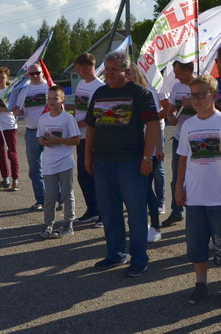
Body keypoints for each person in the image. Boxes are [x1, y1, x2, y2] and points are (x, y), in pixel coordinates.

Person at [85, 51, 159, 278]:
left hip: (131, 163)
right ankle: (116, 254)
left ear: (126, 71)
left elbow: (153, 126)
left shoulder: (139, 93)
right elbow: (91, 127)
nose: (109, 74)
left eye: (114, 70)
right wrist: (88, 156)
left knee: (136, 213)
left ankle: (139, 259)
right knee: (109, 212)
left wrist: (147, 158)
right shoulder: (99, 93)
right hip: (103, 162)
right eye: (106, 70)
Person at [175, 74, 221, 305]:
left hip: (220, 197)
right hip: (195, 197)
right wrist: (178, 188)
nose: (197, 99)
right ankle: (201, 284)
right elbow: (182, 159)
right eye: (193, 95)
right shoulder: (189, 125)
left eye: (201, 94)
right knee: (196, 244)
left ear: (214, 95)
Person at [125, 63, 165, 243]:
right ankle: (140, 224)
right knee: (134, 190)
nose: (128, 76)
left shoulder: (147, 94)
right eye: (126, 73)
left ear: (137, 74)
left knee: (147, 189)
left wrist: (158, 148)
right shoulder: (121, 95)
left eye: (131, 73)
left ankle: (155, 226)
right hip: (129, 150)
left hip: (148, 150)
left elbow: (154, 123)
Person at [37, 86, 80, 239]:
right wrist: (45, 141)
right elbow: (40, 138)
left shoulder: (68, 118)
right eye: (49, 98)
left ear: (62, 100)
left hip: (65, 163)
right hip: (49, 163)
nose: (51, 101)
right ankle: (48, 224)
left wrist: (58, 140)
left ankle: (68, 225)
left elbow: (76, 140)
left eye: (55, 98)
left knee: (67, 194)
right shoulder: (43, 118)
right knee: (49, 196)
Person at [12, 62, 52, 211]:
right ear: (27, 75)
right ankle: (40, 199)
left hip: (48, 131)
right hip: (31, 132)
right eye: (32, 74)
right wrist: (17, 112)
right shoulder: (25, 90)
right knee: (35, 169)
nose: (35, 76)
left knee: (53, 166)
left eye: (37, 73)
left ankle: (60, 199)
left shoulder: (49, 86)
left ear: (42, 72)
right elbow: (20, 110)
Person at [72, 53, 105, 225]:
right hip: (80, 137)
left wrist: (76, 124)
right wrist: (71, 120)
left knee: (96, 177)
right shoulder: (81, 84)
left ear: (87, 67)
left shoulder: (100, 87)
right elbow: (79, 108)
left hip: (95, 138)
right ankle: (92, 210)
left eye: (78, 69)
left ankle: (103, 214)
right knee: (83, 176)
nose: (77, 72)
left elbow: (96, 116)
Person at [162, 60, 195, 228]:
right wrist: (171, 116)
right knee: (177, 178)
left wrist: (194, 105)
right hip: (179, 137)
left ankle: (195, 215)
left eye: (178, 72)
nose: (176, 76)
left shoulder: (200, 85)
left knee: (195, 178)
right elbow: (171, 109)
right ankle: (176, 212)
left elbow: (212, 108)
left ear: (189, 70)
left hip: (196, 140)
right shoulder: (177, 87)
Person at [0, 67, 19, 191]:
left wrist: (0, 109)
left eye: (3, 77)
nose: (0, 79)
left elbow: (14, 108)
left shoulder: (10, 90)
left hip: (9, 125)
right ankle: (5, 179)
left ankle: (15, 180)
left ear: (7, 78)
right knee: (0, 154)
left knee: (11, 153)